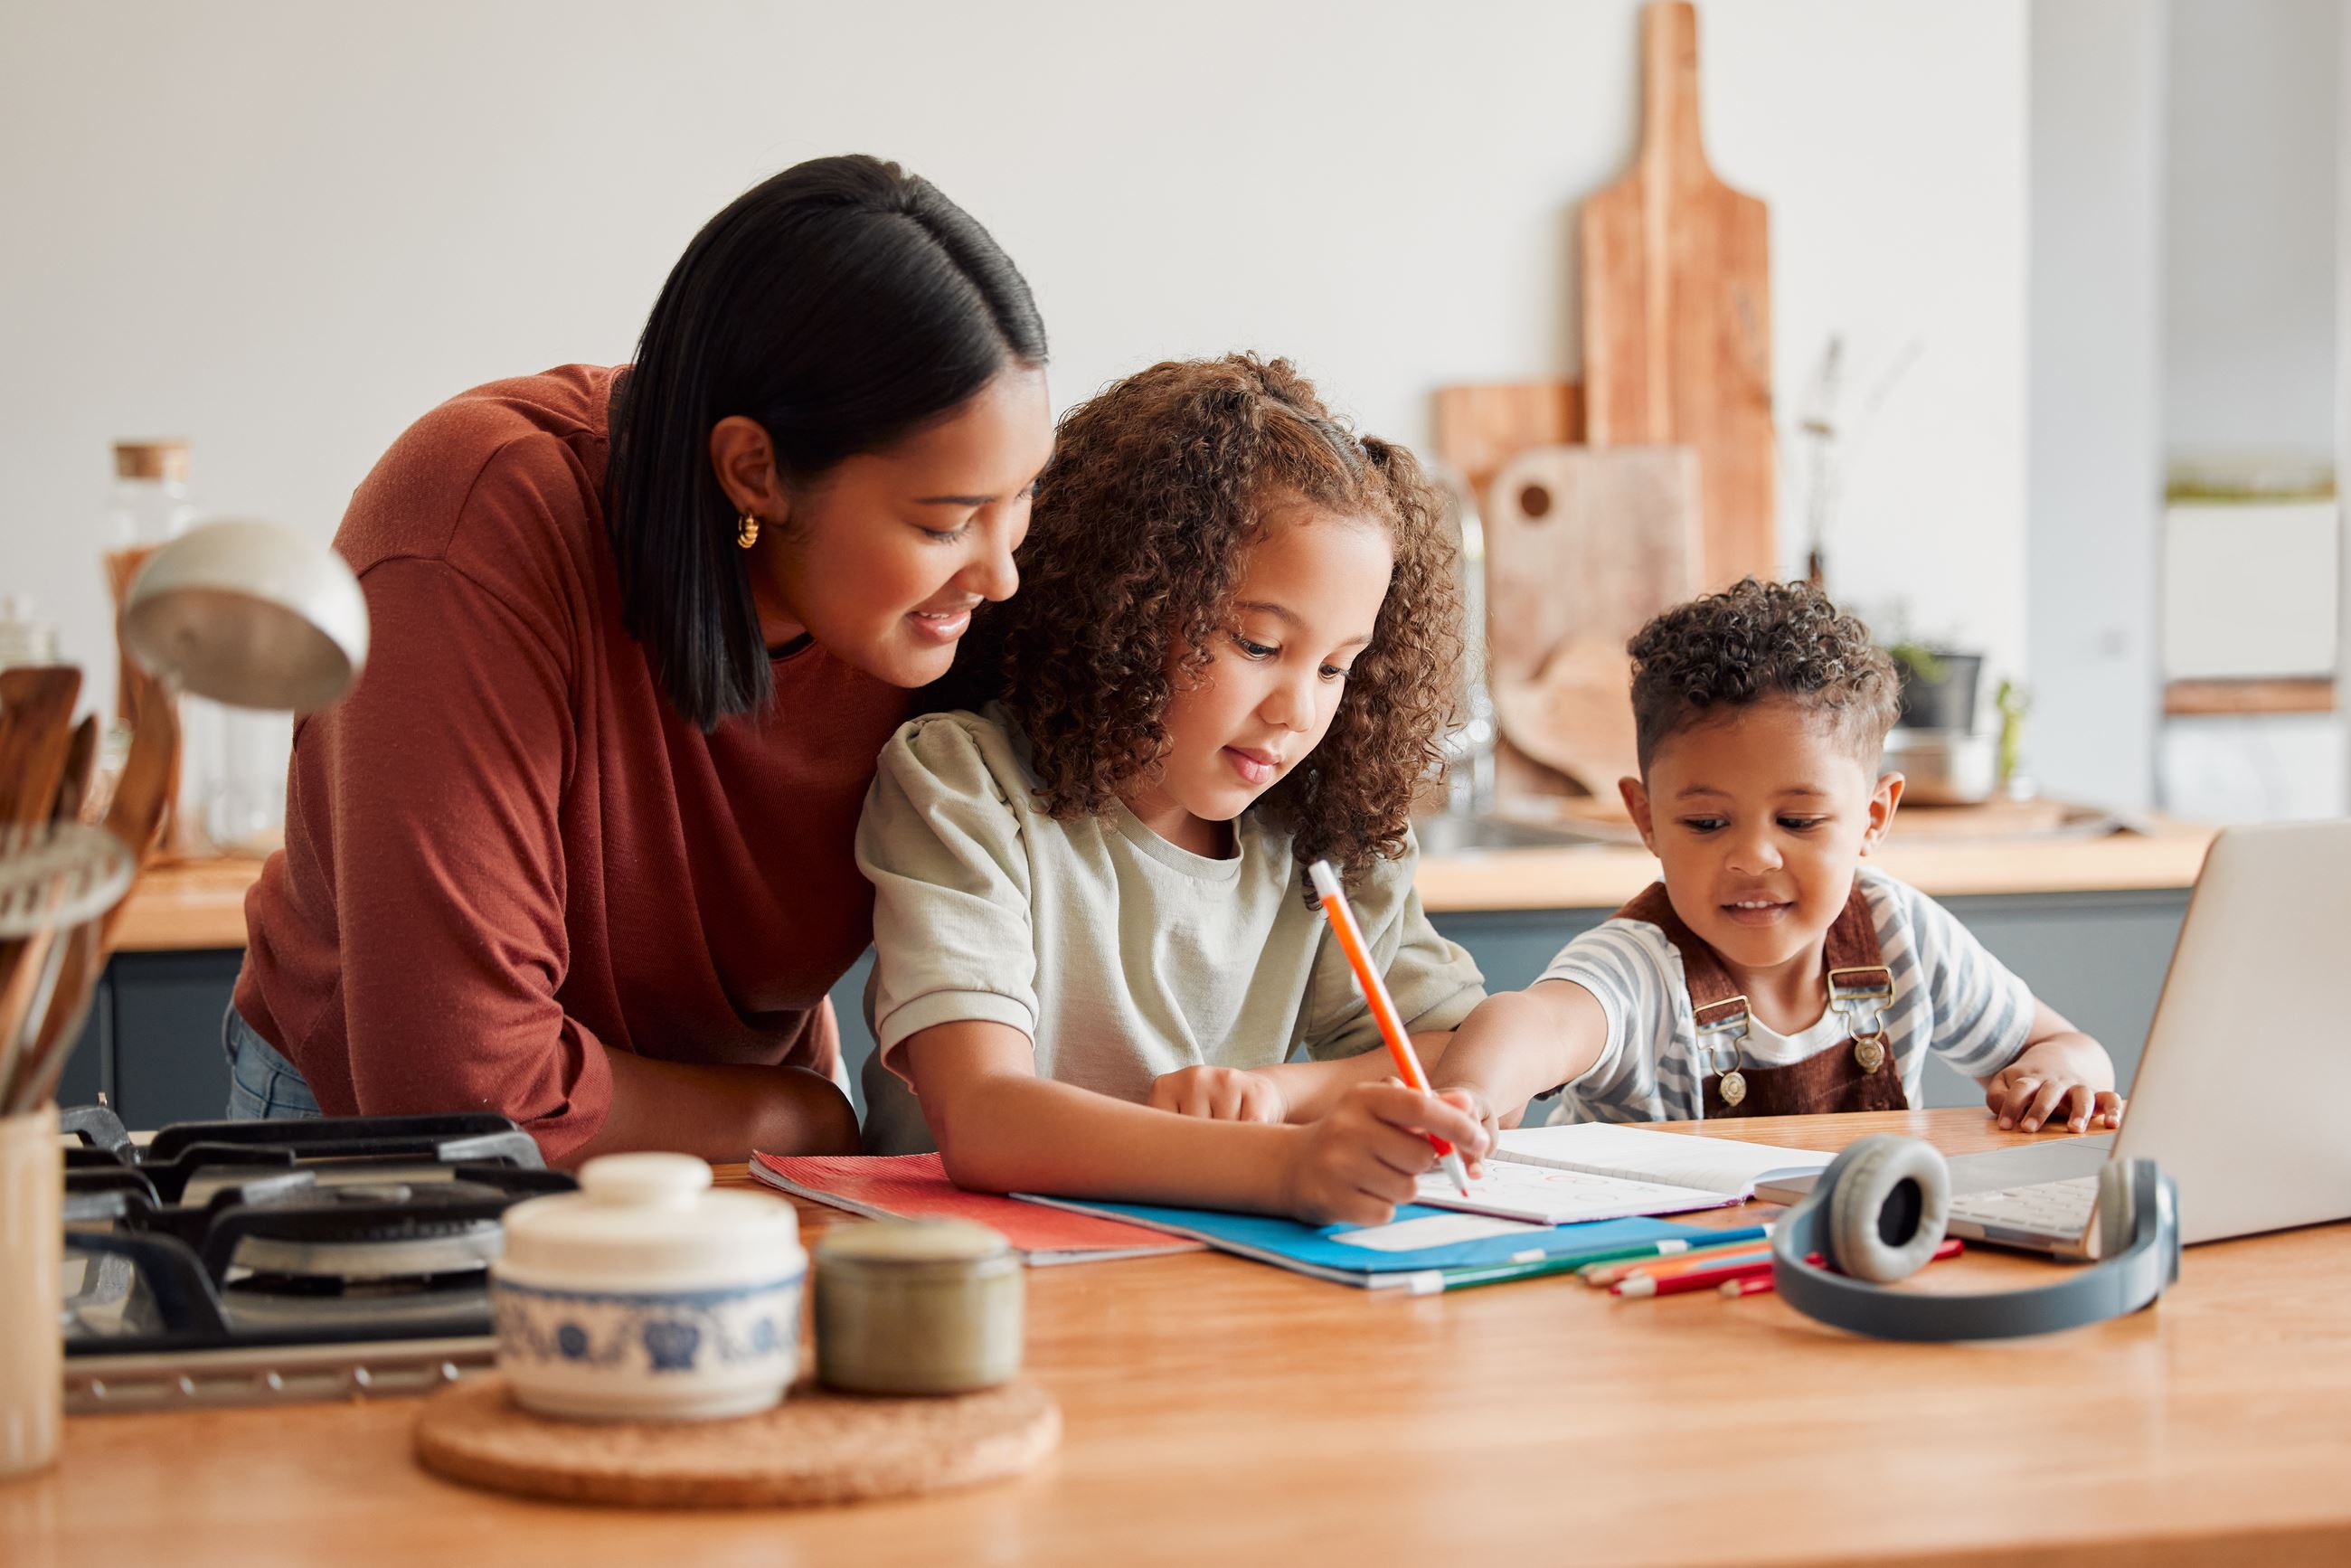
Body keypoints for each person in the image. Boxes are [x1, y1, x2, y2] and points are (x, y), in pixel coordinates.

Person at [227, 155, 1053, 1165]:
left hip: (737, 1122)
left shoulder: (929, 603)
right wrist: (804, 1116)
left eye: (1020, 500)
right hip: (399, 1159)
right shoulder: (468, 536)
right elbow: (467, 1093)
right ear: (754, 471)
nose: (1000, 573)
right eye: (945, 523)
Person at [856, 354, 1492, 1226]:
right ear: (1130, 603)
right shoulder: (969, 786)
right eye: (1259, 646)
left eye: (1339, 667)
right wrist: (1278, 1163)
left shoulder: (1320, 841)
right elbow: (983, 1119)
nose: (1298, 710)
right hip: (958, 1273)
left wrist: (1279, 1093)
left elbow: (1461, 1055)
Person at [1431, 578, 2125, 1133]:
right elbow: (1536, 1021)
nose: (1754, 857)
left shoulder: (1899, 932)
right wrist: (1472, 1093)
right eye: (1706, 822)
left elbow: (2064, 1047)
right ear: (1646, 819)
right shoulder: (1640, 968)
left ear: (1873, 817)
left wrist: (2059, 1077)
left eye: (1799, 820)